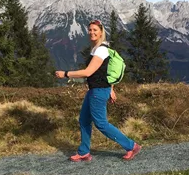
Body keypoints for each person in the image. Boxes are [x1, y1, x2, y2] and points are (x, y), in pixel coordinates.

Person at [55, 19, 141, 162]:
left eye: (95, 30)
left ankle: (131, 146)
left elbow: (88, 72)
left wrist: (65, 74)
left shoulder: (101, 50)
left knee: (101, 123)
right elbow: (105, 71)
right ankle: (84, 152)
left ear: (101, 32)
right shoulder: (96, 49)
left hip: (99, 91)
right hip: (96, 90)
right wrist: (111, 89)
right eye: (90, 30)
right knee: (84, 120)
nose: (92, 32)